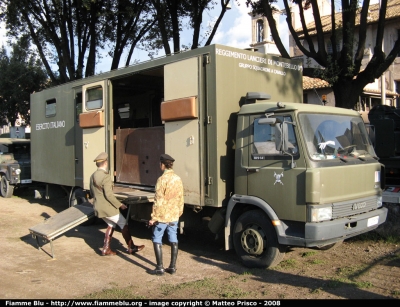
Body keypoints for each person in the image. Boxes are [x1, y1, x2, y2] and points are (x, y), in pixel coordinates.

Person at [90, 152, 145, 256]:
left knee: (111, 224)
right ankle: (131, 247)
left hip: (98, 207)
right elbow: (109, 195)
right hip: (107, 208)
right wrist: (120, 205)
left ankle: (106, 249)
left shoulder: (93, 176)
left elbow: (92, 192)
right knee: (123, 223)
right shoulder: (105, 177)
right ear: (105, 163)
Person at [148, 154, 184, 275]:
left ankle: (159, 268)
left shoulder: (161, 180)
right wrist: (179, 212)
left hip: (163, 216)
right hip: (174, 215)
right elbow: (180, 197)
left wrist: (154, 218)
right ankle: (172, 267)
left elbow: (158, 200)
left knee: (157, 237)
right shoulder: (178, 178)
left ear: (163, 165)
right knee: (173, 238)